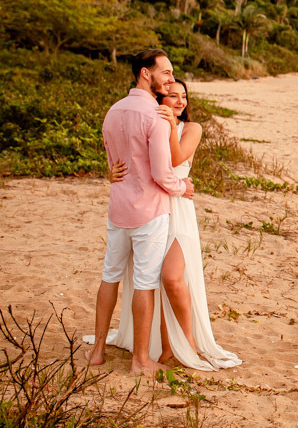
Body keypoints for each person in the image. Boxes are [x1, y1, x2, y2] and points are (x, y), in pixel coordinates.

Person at [104, 79, 241, 371]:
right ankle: (166, 348)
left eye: (184, 97)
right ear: (159, 100)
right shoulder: (152, 124)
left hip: (179, 209)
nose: (180, 102)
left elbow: (178, 157)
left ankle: (188, 343)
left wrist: (166, 125)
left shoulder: (192, 129)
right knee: (151, 278)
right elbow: (133, 159)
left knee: (172, 277)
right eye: (172, 96)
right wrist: (111, 173)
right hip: (153, 209)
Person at [86, 49, 194, 375]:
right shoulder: (155, 116)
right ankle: (140, 360)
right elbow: (162, 175)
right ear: (145, 74)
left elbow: (113, 166)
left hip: (118, 208)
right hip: (150, 211)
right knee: (145, 284)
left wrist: (113, 177)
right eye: (166, 73)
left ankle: (98, 352)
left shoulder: (113, 111)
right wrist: (183, 188)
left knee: (110, 276)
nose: (171, 79)